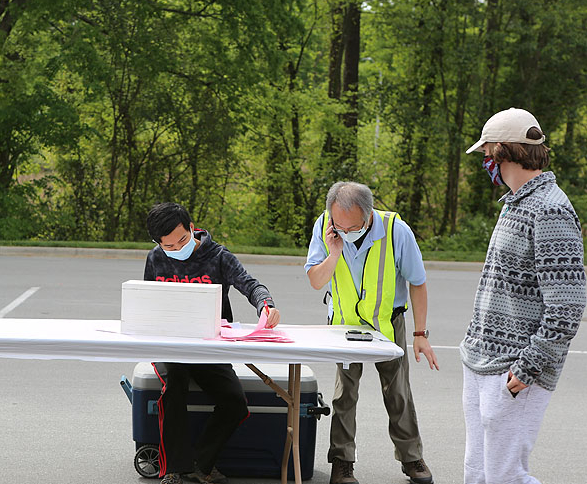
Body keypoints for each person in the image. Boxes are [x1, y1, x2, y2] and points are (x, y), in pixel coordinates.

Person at [461, 108, 586, 484]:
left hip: (516, 369)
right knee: (478, 473)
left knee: (505, 477)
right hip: (481, 360)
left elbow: (567, 307)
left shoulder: (550, 209)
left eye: (486, 153)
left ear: (502, 150)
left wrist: (529, 366)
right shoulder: (516, 201)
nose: (485, 162)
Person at [304, 181, 438, 484]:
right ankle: (341, 461)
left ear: (368, 218)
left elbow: (418, 281)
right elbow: (315, 280)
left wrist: (420, 333)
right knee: (344, 394)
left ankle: (411, 457)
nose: (344, 232)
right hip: (344, 323)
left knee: (398, 391)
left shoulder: (395, 231)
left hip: (387, 323)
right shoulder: (326, 227)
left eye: (351, 228)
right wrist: (335, 251)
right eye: (339, 225)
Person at [144, 202, 281, 484]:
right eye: (168, 245)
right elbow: (146, 298)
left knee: (235, 404)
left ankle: (201, 463)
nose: (176, 248)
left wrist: (266, 305)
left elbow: (251, 285)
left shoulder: (218, 256)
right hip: (170, 345)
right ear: (158, 243)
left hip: (210, 345)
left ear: (192, 228)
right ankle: (173, 469)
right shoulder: (156, 258)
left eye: (182, 240)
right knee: (175, 386)